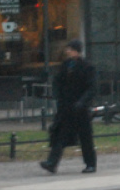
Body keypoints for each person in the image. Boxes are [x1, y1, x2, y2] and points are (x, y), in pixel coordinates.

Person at [41, 39, 97, 174]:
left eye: (70, 49)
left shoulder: (87, 67)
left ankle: (90, 164)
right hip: (66, 107)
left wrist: (82, 102)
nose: (67, 51)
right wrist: (57, 96)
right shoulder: (65, 65)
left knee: (85, 137)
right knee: (60, 135)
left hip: (80, 109)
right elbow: (58, 81)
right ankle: (52, 163)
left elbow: (92, 88)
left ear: (77, 51)